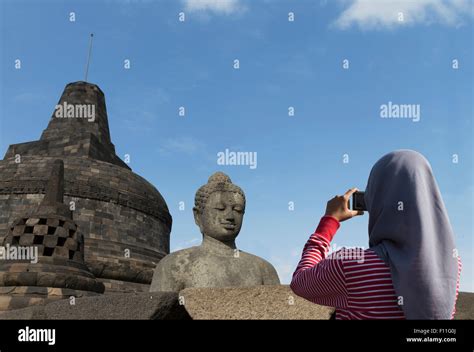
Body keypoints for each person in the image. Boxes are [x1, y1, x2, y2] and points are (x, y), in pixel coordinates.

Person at [290, 150, 461, 319]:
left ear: (374, 199)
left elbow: (300, 283)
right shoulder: (452, 263)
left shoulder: (350, 263)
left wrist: (329, 220)